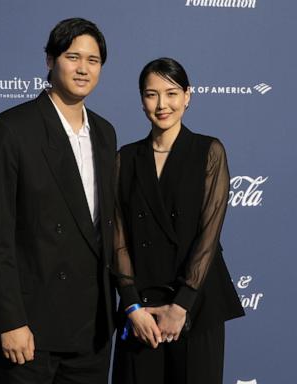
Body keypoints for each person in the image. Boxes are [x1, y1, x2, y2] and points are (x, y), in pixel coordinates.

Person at [0, 18, 117, 384]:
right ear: (50, 60)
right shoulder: (10, 130)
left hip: (91, 330)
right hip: (29, 331)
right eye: (73, 56)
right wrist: (9, 321)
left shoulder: (104, 132)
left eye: (93, 60)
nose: (83, 68)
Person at [112, 58, 245, 384]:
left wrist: (181, 305)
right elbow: (117, 236)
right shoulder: (124, 159)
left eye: (171, 93)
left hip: (197, 306)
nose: (162, 105)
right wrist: (132, 307)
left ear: (188, 95)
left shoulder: (208, 151)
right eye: (151, 94)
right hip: (142, 312)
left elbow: (209, 233)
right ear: (141, 99)